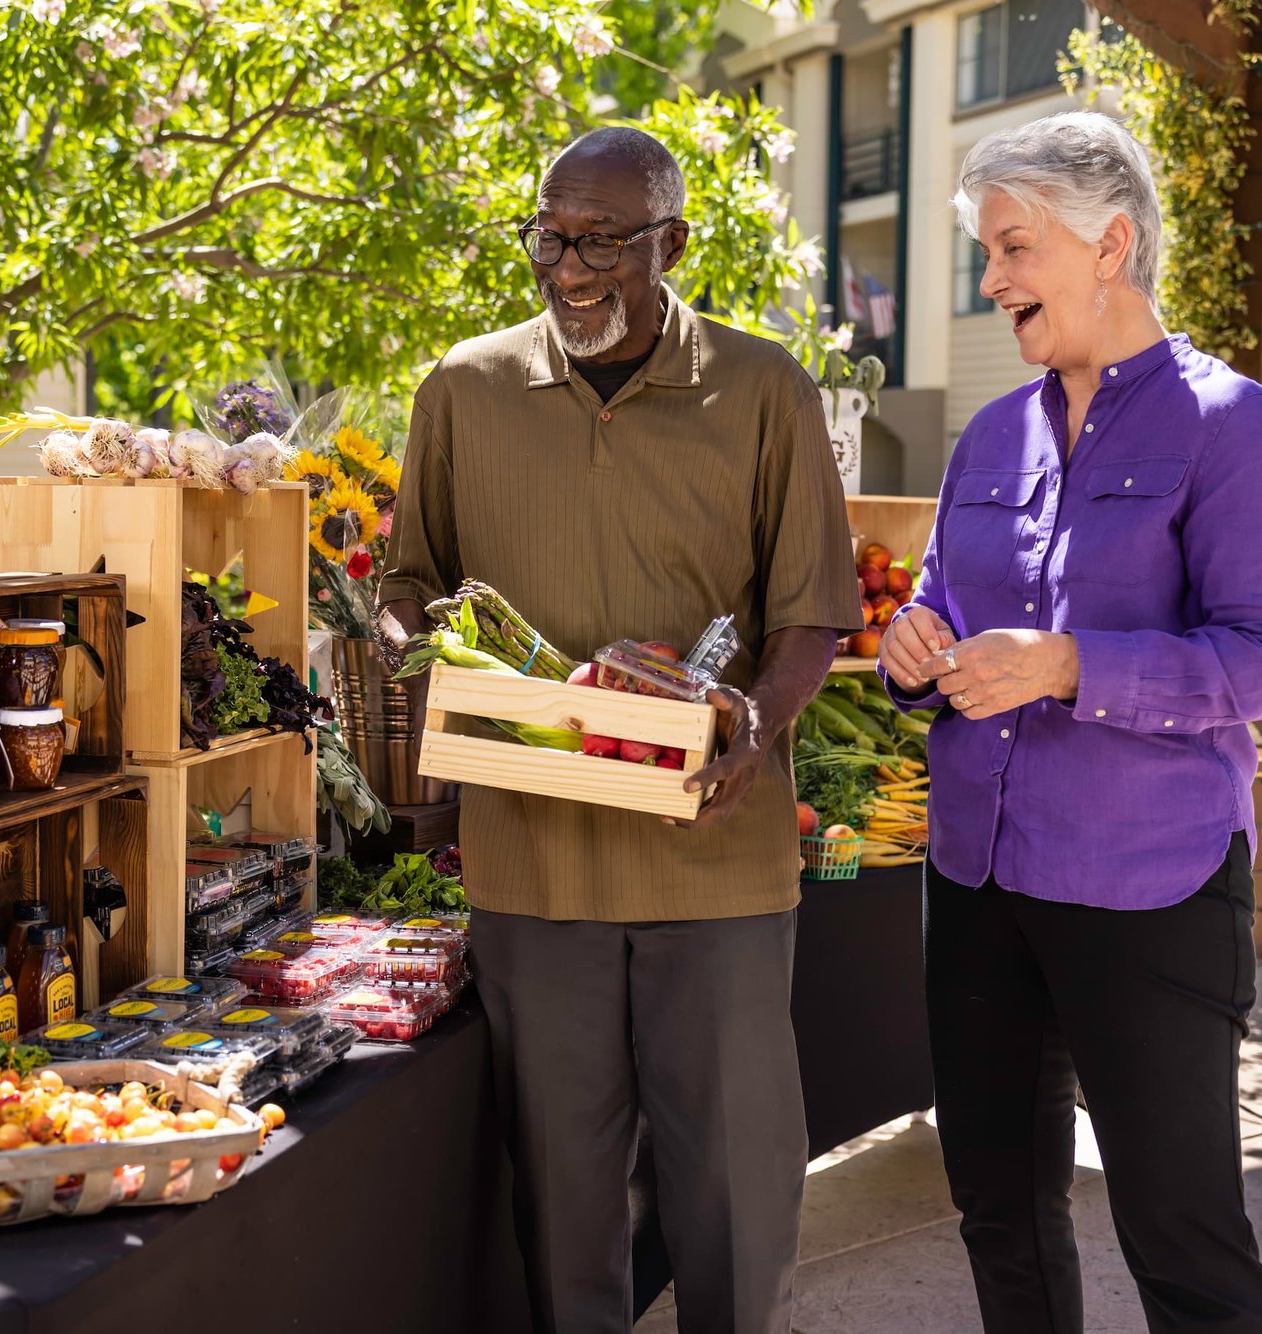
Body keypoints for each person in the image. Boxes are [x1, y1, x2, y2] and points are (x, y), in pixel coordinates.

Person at [375, 127, 859, 1333]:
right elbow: (405, 581)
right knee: (562, 1192)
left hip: (717, 857)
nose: (569, 266)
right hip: (533, 864)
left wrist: (754, 714)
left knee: (733, 1190)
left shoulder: (763, 389)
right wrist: (408, 653)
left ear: (672, 241)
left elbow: (810, 618)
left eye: (601, 239)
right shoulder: (463, 388)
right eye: (550, 236)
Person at [878, 110, 1262, 1334]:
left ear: (1109, 242)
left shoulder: (1229, 428)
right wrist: (907, 651)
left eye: (1013, 246)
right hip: (975, 878)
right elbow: (931, 609)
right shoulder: (987, 433)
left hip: (1150, 886)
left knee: (1178, 1235)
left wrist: (1069, 664)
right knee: (997, 1208)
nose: (991, 278)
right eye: (987, 249)